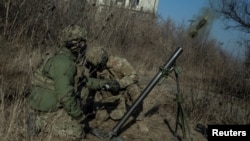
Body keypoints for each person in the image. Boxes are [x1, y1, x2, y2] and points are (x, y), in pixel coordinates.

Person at [27, 25, 119, 140]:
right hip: (48, 110)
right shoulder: (66, 64)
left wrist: (104, 83)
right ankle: (39, 122)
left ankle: (40, 118)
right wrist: (80, 117)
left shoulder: (61, 58)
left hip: (42, 104)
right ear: (76, 44)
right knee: (77, 132)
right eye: (83, 43)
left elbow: (83, 81)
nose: (85, 46)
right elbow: (65, 97)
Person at [84, 46, 145, 125]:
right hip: (110, 98)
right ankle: (113, 108)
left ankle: (139, 119)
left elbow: (134, 76)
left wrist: (119, 84)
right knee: (100, 118)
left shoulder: (119, 62)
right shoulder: (96, 69)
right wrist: (89, 104)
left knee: (134, 89)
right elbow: (92, 87)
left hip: (123, 92)